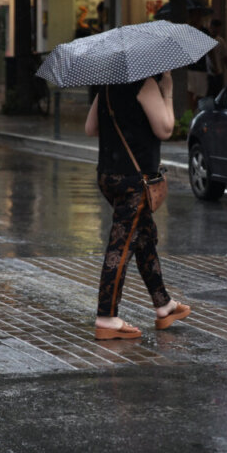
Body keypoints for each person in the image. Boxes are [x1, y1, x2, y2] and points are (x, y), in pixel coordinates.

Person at [84, 72, 191, 340]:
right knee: (120, 246)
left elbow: (90, 128)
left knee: (143, 238)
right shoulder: (146, 85)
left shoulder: (107, 84)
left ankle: (164, 305)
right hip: (135, 179)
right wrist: (167, 91)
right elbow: (165, 129)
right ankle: (106, 317)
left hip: (108, 174)